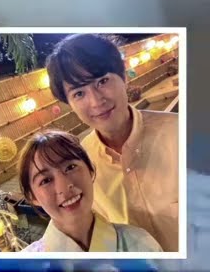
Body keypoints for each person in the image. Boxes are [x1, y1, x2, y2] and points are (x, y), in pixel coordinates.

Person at [45, 33, 180, 252]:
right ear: (69, 103)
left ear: (124, 76)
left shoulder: (181, 133)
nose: (96, 101)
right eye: (79, 93)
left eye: (102, 81)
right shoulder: (80, 165)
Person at [17, 130, 164, 254]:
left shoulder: (141, 244)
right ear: (32, 197)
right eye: (46, 180)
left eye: (70, 167)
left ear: (90, 170)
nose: (64, 187)